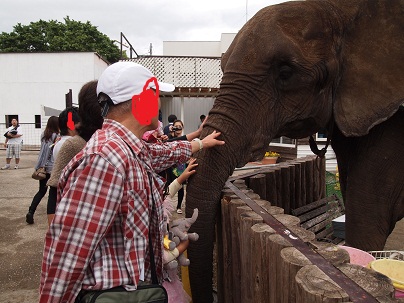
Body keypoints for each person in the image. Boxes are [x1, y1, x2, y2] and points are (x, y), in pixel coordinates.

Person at [39, 61, 224, 302]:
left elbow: (162, 153)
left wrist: (199, 143)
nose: (158, 103)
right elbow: (67, 257)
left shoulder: (128, 149)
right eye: (156, 95)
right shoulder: (104, 159)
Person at [46, 81, 102, 225]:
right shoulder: (74, 144)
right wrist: (53, 228)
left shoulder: (108, 140)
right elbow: (54, 188)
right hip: (77, 220)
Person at [25, 116, 59, 224]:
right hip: (53, 168)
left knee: (41, 191)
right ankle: (54, 216)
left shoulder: (44, 135)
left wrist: (39, 166)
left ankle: (31, 211)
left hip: (43, 168)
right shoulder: (57, 136)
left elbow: (42, 152)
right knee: (53, 194)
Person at [167, 119, 187, 214]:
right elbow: (166, 142)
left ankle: (179, 206)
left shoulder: (185, 138)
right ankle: (166, 205)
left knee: (180, 186)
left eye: (180, 126)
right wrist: (170, 132)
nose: (178, 128)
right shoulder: (170, 137)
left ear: (182, 128)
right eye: (176, 126)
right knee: (168, 184)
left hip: (179, 165)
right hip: (170, 165)